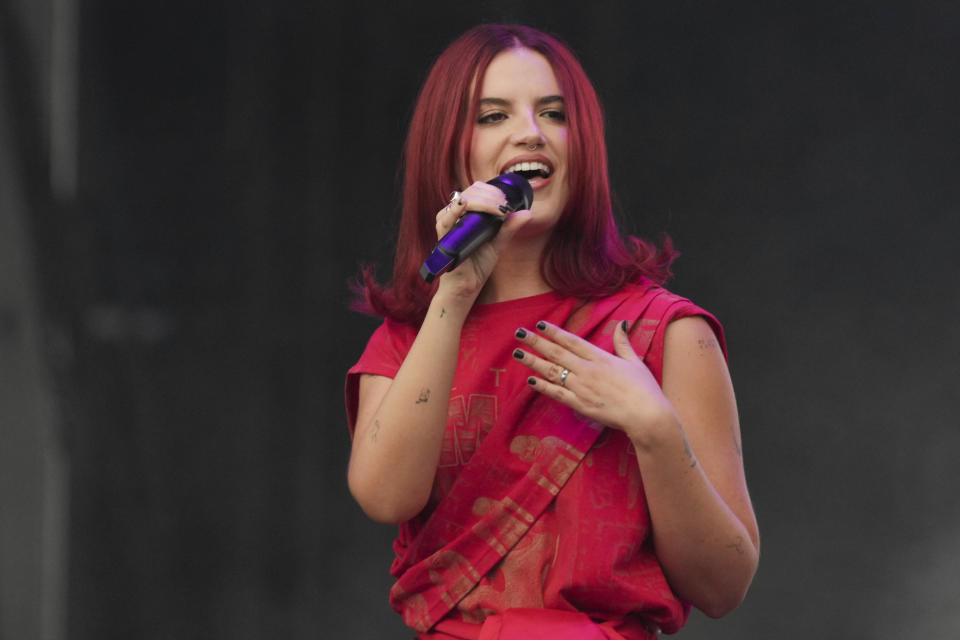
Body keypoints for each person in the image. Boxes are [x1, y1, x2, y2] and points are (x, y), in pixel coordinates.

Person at [344, 24, 759, 640]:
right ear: (449, 149)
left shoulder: (665, 332)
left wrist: (654, 429)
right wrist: (452, 297)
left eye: (554, 113)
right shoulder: (412, 335)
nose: (530, 132)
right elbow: (384, 497)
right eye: (492, 116)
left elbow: (723, 587)